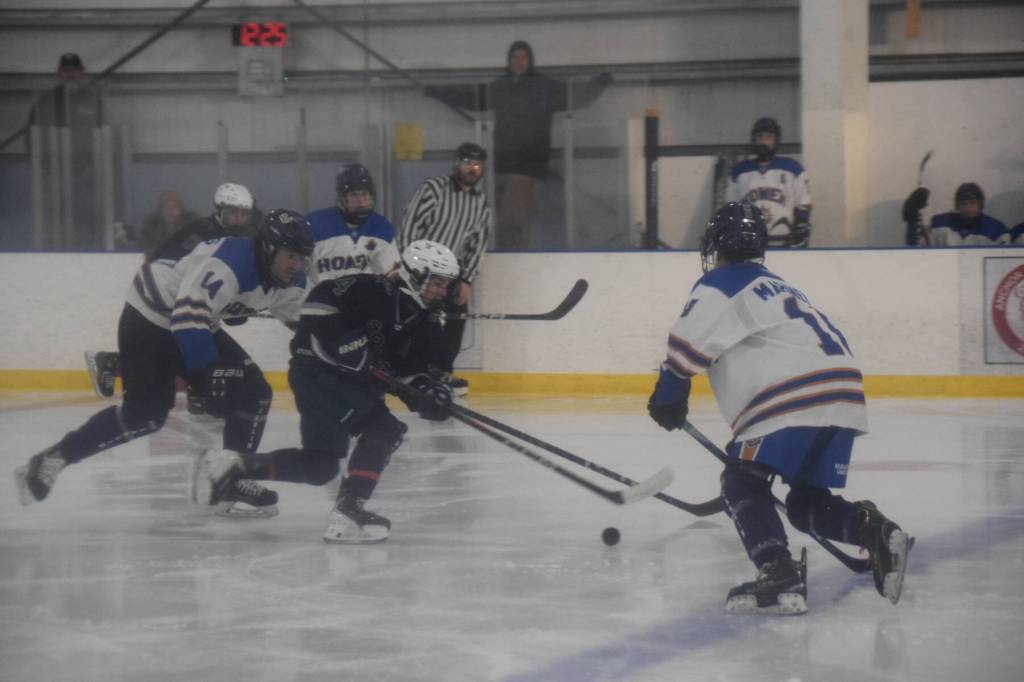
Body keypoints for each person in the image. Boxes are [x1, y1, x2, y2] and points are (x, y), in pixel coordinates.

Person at [646, 201, 909, 615]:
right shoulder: (781, 287)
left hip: (791, 396)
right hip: (844, 393)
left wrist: (667, 399)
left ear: (716, 246)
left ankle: (778, 569)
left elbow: (685, 348)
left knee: (742, 482)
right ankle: (873, 531)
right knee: (805, 502)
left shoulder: (721, 282)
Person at [17, 209, 314, 516]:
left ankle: (230, 477)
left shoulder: (292, 279)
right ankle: (53, 458)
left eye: (302, 257)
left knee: (255, 393)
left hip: (195, 318)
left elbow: (308, 327)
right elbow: (186, 318)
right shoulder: (231, 262)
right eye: (290, 256)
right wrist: (208, 373)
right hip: (150, 314)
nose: (297, 265)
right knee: (145, 414)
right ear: (268, 248)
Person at [192, 240, 457, 542]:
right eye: (437, 282)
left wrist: (427, 395)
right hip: (319, 372)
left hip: (340, 383)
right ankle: (349, 512)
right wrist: (341, 342)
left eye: (446, 285)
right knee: (385, 429)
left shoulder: (427, 324)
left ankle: (230, 466)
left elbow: (409, 374)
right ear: (416, 275)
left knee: (319, 466)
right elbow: (317, 300)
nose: (442, 291)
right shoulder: (373, 288)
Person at [425, 40, 611, 250]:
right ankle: (508, 257)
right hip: (502, 166)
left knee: (512, 223)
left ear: (530, 61)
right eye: (515, 57)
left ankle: (513, 259)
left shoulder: (543, 87)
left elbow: (576, 97)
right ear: (509, 61)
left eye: (523, 57)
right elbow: (473, 99)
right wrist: (440, 93)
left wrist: (599, 84)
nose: (519, 62)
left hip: (527, 168)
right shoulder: (501, 87)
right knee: (501, 222)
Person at [85, 182, 257, 398]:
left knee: (176, 348)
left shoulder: (236, 239)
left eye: (243, 214)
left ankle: (113, 363)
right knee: (177, 347)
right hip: (170, 296)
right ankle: (117, 363)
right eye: (232, 212)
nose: (238, 219)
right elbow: (172, 265)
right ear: (218, 210)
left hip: (189, 300)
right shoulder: (204, 233)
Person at [398, 142, 492, 396]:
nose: (472, 169)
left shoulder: (481, 203)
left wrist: (467, 280)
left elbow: (477, 244)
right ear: (456, 164)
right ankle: (417, 372)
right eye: (467, 163)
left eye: (477, 164)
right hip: (421, 270)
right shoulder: (433, 189)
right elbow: (409, 228)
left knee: (454, 321)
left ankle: (442, 373)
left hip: (451, 274)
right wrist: (412, 270)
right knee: (419, 322)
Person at [28, 53, 101, 247]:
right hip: (53, 175)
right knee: (53, 217)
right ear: (59, 73)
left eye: (74, 70)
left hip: (85, 174)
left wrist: (93, 166)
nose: (70, 75)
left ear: (82, 72)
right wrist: (44, 168)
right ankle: (51, 250)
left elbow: (105, 133)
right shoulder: (46, 100)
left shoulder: (92, 100)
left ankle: (89, 249)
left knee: (86, 217)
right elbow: (33, 135)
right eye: (66, 70)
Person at [305, 163, 400, 287]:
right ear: (342, 197)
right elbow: (298, 273)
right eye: (354, 195)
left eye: (364, 194)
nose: (361, 201)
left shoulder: (382, 227)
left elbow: (392, 277)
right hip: (319, 298)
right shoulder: (315, 224)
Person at [725, 117, 812, 248]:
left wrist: (801, 225)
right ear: (753, 140)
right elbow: (731, 207)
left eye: (768, 137)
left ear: (776, 140)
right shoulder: (739, 172)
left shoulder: (793, 168)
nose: (763, 141)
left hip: (785, 242)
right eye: (759, 137)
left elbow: (803, 202)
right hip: (749, 244)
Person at [902, 182, 1009, 246]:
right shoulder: (941, 224)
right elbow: (916, 249)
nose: (968, 208)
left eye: (972, 203)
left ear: (980, 205)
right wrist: (912, 221)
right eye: (963, 204)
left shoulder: (996, 229)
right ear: (957, 206)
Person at [137, 190, 198, 255]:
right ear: (160, 211)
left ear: (181, 210)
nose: (171, 211)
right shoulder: (150, 229)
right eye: (166, 207)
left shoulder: (191, 227)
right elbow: (143, 249)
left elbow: (197, 248)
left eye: (175, 207)